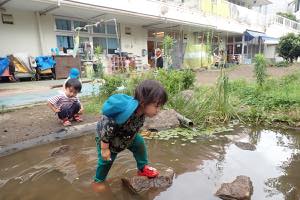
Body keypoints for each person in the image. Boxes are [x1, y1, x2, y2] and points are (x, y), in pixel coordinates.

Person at [93, 80, 168, 189]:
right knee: (106, 161)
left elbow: (134, 125)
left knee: (139, 142)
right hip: (109, 138)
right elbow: (108, 125)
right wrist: (104, 147)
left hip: (126, 136)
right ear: (143, 102)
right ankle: (98, 181)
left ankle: (142, 168)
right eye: (156, 106)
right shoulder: (126, 112)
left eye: (160, 106)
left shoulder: (142, 111)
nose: (158, 110)